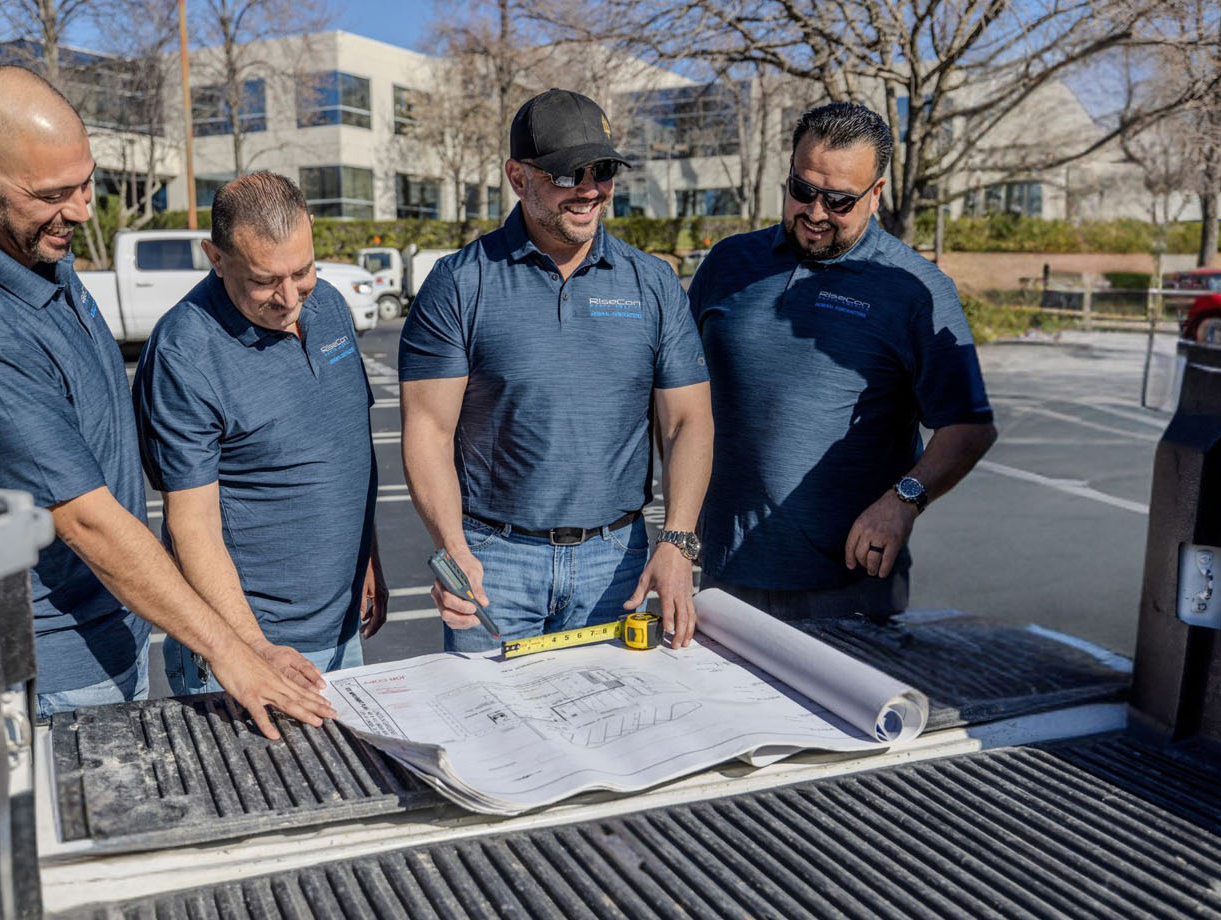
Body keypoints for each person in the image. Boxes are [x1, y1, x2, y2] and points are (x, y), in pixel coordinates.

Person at [0, 66, 331, 740]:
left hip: (112, 631)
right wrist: (235, 653)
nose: (83, 209)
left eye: (86, 182)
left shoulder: (33, 251)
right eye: (54, 193)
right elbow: (88, 521)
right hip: (51, 670)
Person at [399, 88, 713, 651]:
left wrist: (678, 541)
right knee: (489, 734)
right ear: (518, 178)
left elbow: (687, 421)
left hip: (617, 564)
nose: (590, 189)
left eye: (603, 170)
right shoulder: (461, 282)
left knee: (611, 731)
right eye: (568, 174)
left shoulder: (653, 282)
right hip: (494, 564)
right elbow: (428, 428)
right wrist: (453, 549)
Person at [687, 101, 998, 621]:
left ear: (875, 195)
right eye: (802, 190)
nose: (814, 213)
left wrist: (905, 499)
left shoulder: (917, 290)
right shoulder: (728, 264)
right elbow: (679, 394)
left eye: (838, 201)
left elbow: (969, 426)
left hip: (847, 588)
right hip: (726, 572)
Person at [132, 172, 387, 694]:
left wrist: (368, 558)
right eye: (265, 280)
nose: (290, 297)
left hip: (342, 630)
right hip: (251, 651)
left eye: (302, 270)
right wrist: (254, 649)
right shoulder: (185, 353)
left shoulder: (330, 305)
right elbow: (192, 526)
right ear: (216, 257)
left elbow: (349, 446)